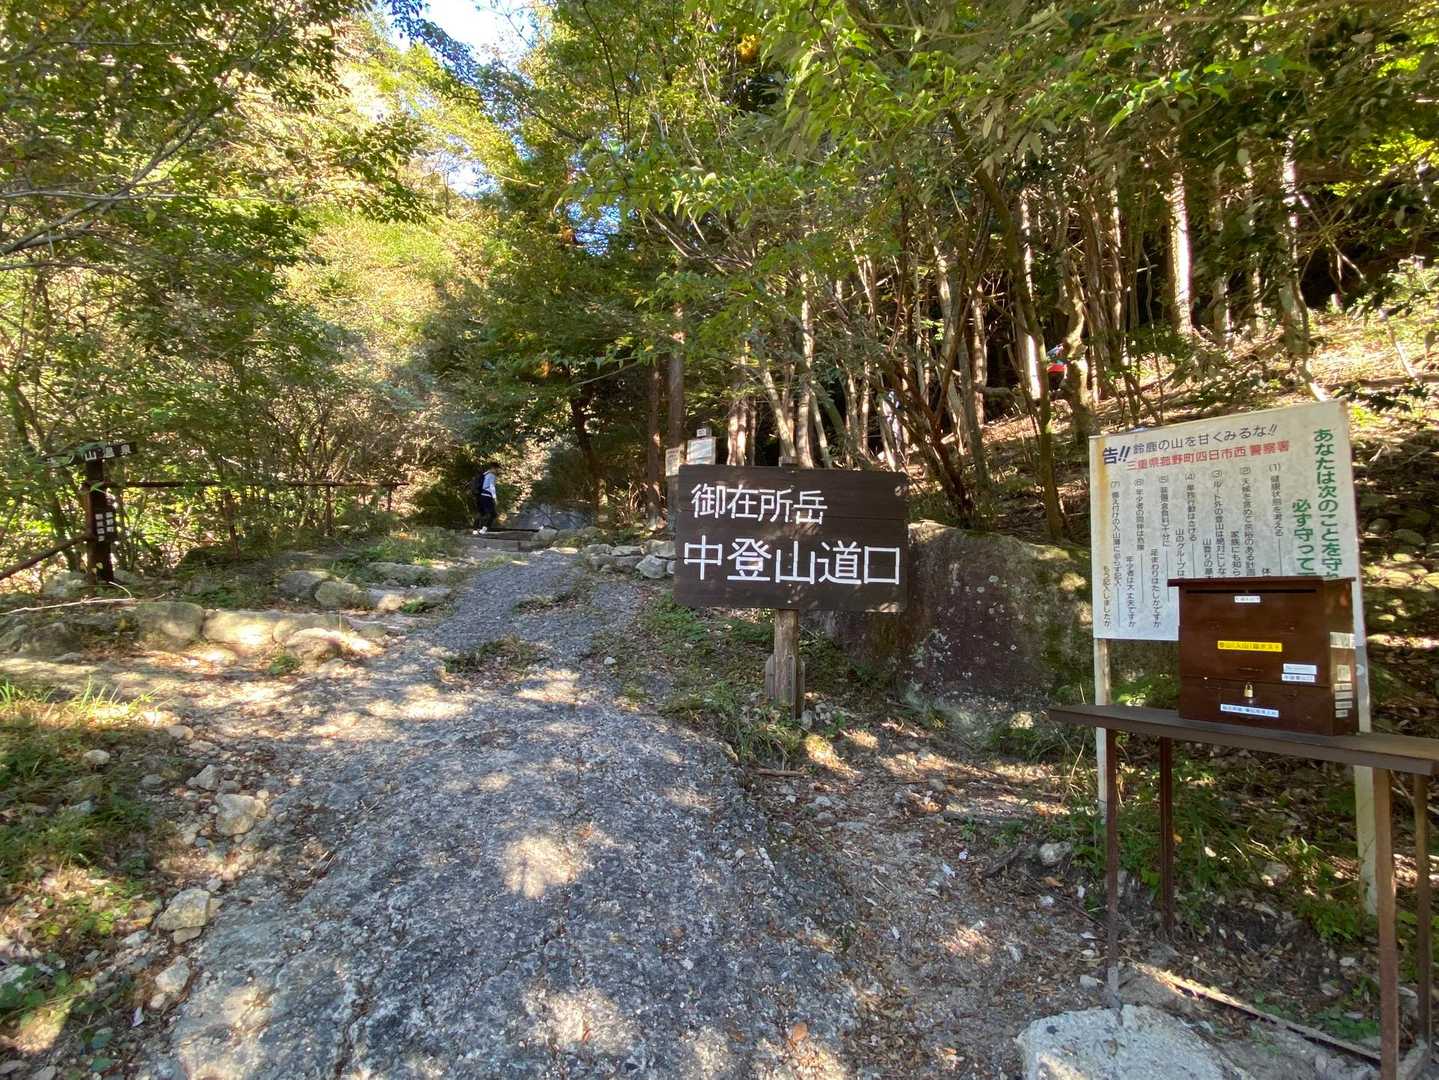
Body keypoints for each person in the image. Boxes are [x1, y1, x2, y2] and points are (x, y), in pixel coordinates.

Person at [472, 462, 499, 533]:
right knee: (492, 513)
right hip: (487, 495)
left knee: (480, 512)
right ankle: (483, 530)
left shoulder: (484, 474)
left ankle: (475, 530)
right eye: (497, 469)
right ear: (493, 468)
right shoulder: (492, 475)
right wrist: (495, 498)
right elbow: (492, 486)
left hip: (480, 495)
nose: (497, 471)